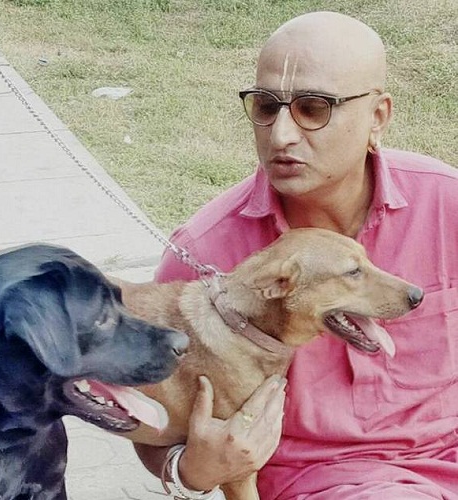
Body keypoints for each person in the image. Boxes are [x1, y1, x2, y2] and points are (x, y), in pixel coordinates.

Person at [134, 11, 458, 499]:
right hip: (328, 483)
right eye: (266, 106)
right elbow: (153, 423)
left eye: (313, 108)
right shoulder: (203, 254)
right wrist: (193, 471)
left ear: (378, 117)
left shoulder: (446, 203)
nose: (281, 134)